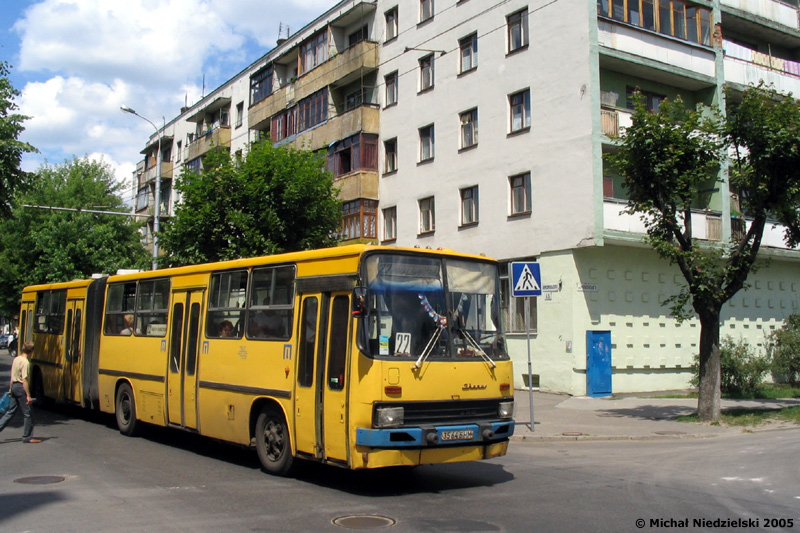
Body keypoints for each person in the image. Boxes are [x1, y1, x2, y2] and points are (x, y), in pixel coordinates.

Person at [0, 342, 41, 443]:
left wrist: (10, 389)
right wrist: (28, 395)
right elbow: (25, 380)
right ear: (31, 351)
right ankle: (27, 436)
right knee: (28, 413)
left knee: (10, 412)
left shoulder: (16, 359)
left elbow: (12, 376)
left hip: (14, 386)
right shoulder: (25, 362)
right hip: (20, 387)